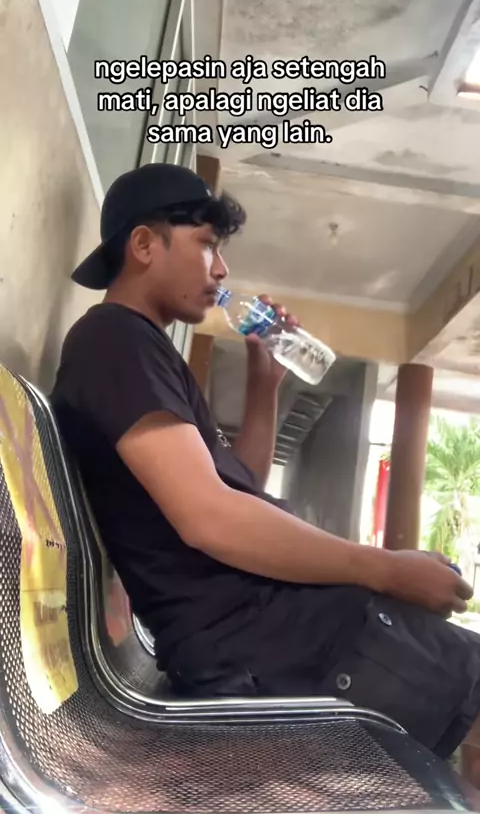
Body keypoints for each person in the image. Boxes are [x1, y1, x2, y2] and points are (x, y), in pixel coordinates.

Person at [51, 162, 480, 767]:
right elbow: (210, 519)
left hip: (271, 635)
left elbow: (237, 486)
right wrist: (383, 568)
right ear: (144, 245)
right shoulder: (114, 340)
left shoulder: (142, 349)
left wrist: (264, 383)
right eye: (207, 244)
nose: (221, 270)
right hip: (266, 644)